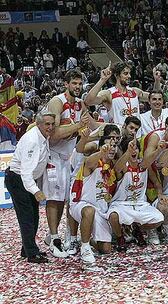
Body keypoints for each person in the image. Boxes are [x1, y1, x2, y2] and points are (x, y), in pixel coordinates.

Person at [43, 70, 96, 258]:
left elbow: (92, 126)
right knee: (55, 198)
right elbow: (54, 133)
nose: (77, 87)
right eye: (74, 83)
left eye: (79, 84)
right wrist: (78, 126)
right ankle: (55, 239)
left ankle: (58, 235)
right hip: (53, 155)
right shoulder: (57, 102)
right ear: (66, 84)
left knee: (69, 198)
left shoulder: (80, 104)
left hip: (70, 156)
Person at [5, 112, 55, 263]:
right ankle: (32, 254)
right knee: (27, 217)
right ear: (38, 124)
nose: (51, 127)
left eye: (52, 124)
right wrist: (36, 191)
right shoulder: (32, 141)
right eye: (47, 124)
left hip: (27, 180)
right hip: (18, 179)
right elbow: (26, 172)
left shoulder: (43, 136)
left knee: (33, 216)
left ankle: (27, 249)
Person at [69, 137, 118, 270]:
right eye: (109, 145)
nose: (112, 148)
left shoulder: (111, 167)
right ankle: (85, 248)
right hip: (81, 204)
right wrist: (101, 153)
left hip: (101, 209)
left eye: (115, 145)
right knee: (89, 210)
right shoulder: (92, 163)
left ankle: (90, 240)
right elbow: (89, 162)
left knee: (106, 249)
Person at [107, 139, 164, 251]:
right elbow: (117, 168)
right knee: (113, 216)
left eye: (136, 148)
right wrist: (128, 151)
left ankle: (135, 228)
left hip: (140, 204)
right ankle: (120, 237)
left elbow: (150, 164)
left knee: (159, 219)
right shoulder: (123, 166)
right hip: (121, 204)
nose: (134, 150)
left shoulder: (143, 165)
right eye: (131, 148)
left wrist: (158, 150)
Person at [84, 62, 161, 125]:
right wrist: (102, 80)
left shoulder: (135, 91)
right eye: (125, 73)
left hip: (137, 137)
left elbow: (155, 97)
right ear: (117, 75)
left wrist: (157, 80)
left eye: (129, 73)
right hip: (119, 138)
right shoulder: (108, 93)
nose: (129, 76)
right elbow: (88, 101)